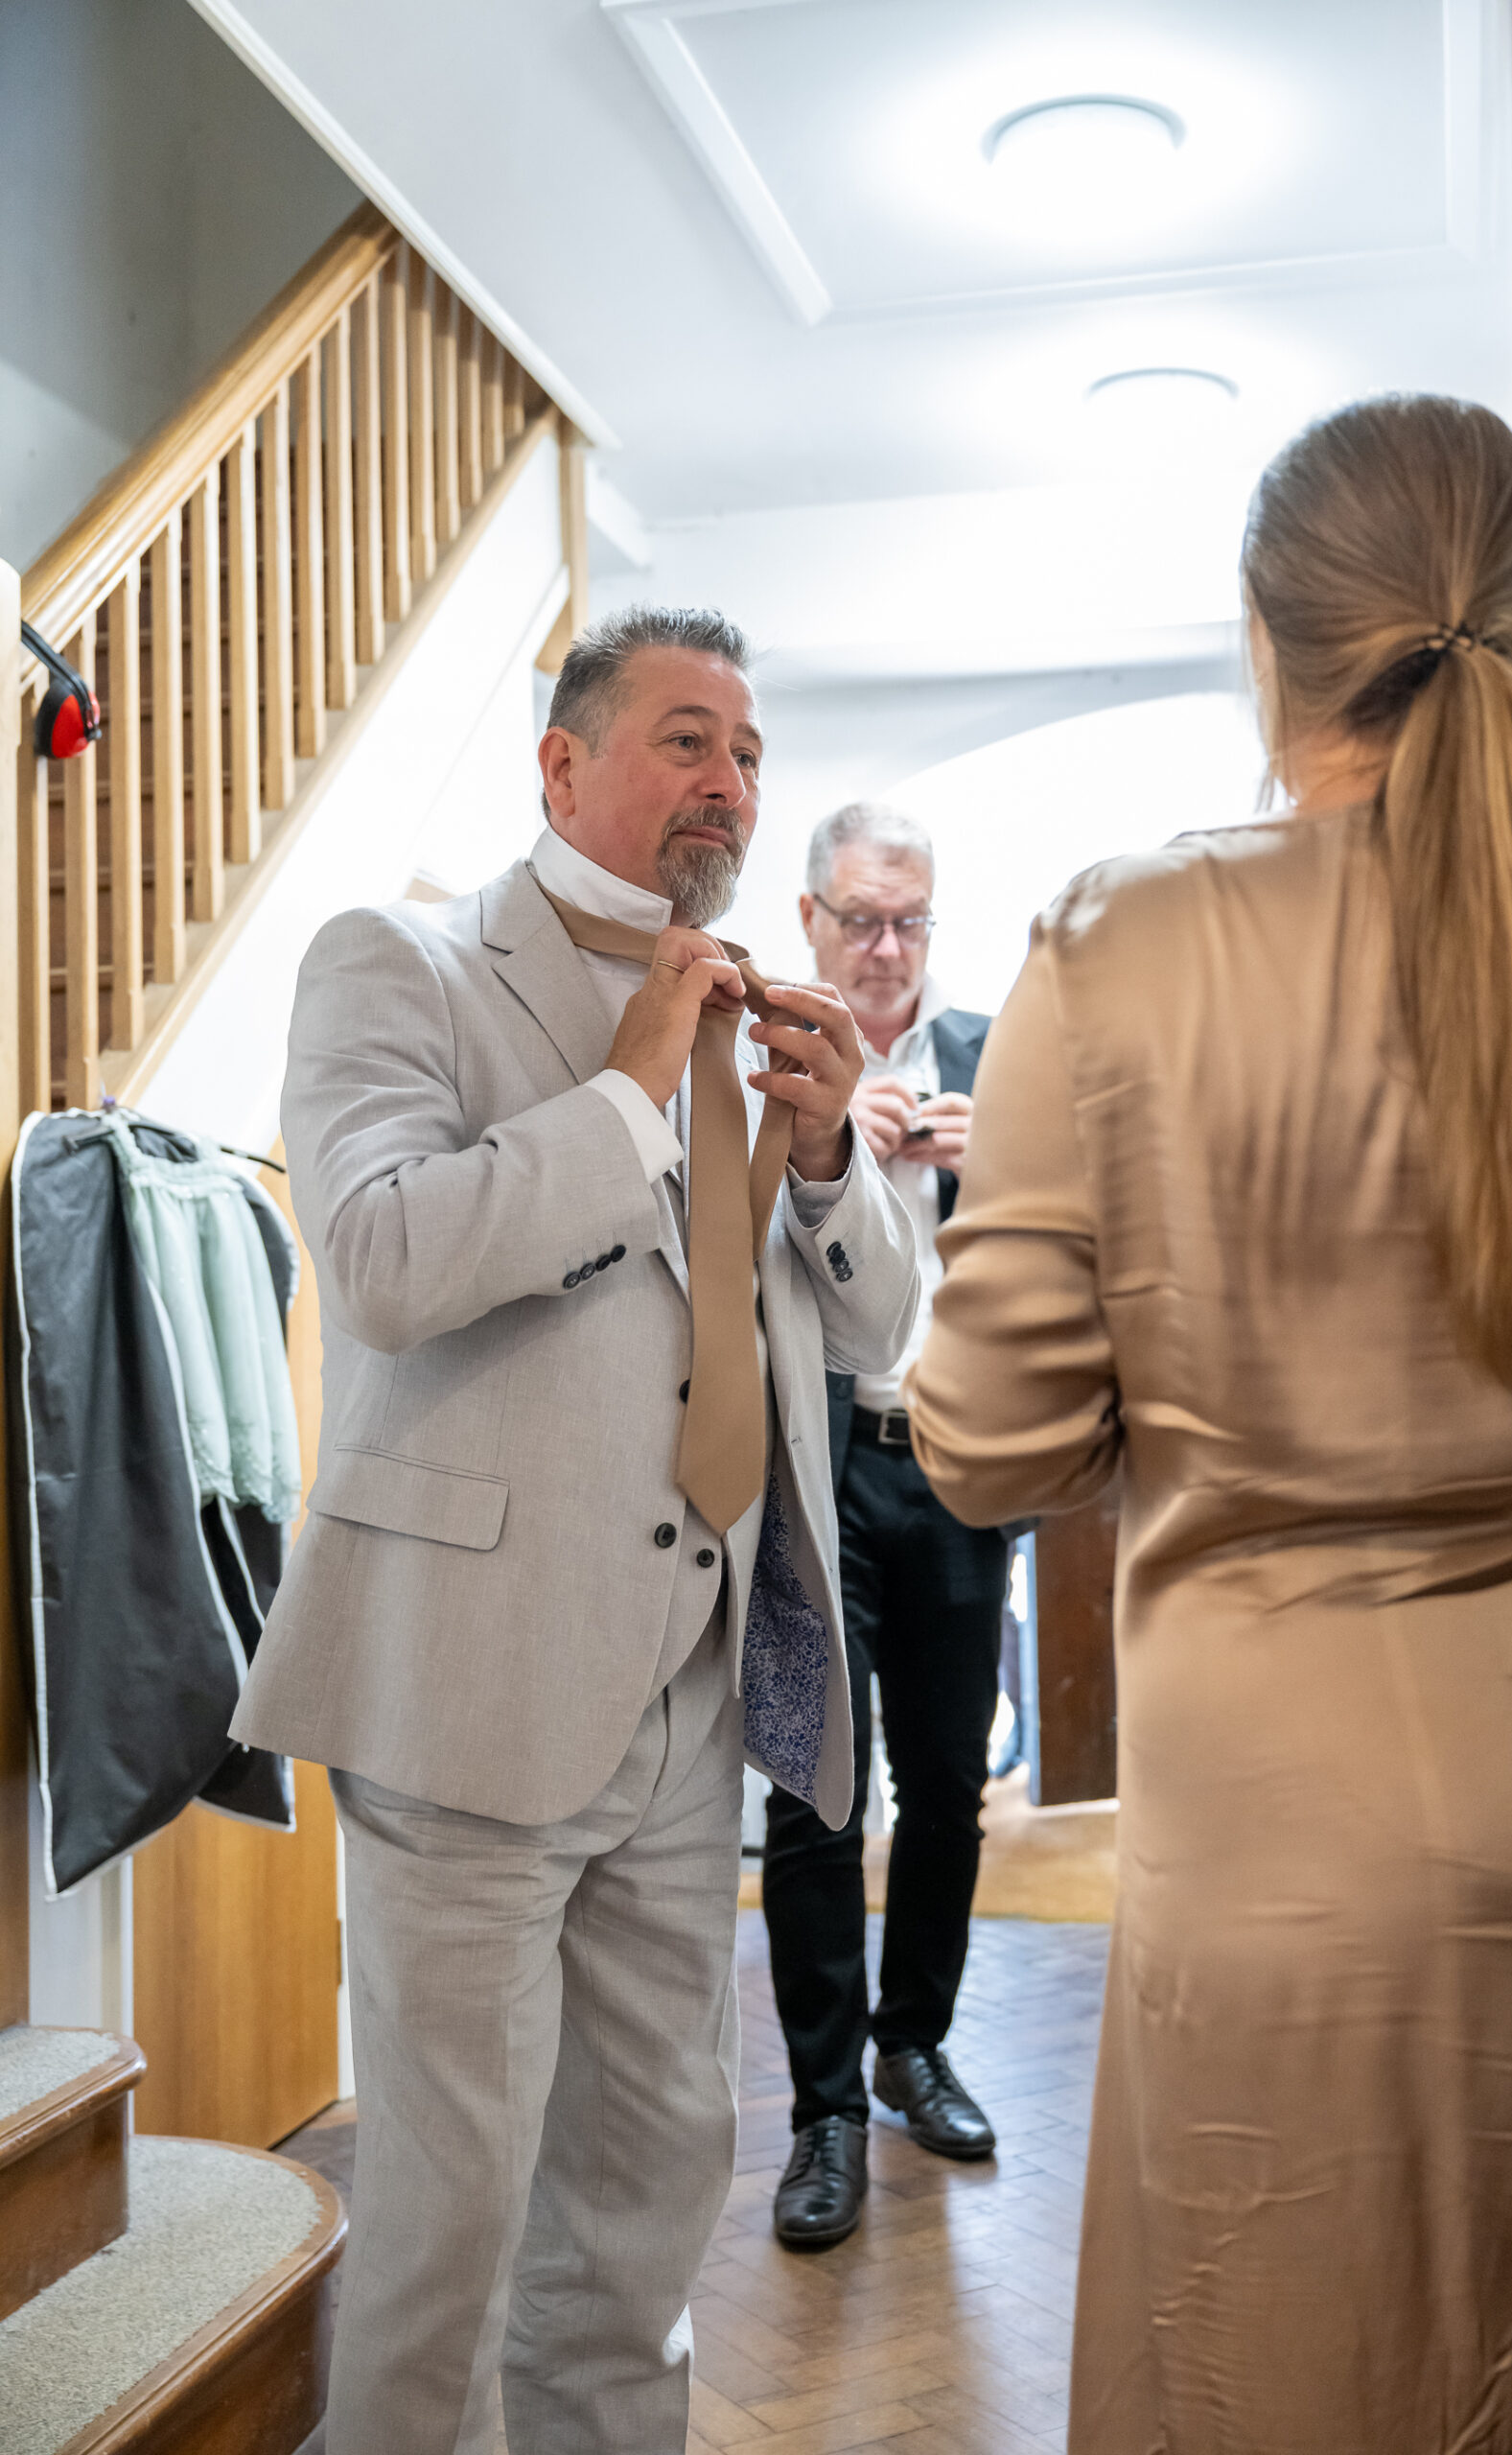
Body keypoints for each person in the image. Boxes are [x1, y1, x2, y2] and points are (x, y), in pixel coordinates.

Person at [907, 398, 1512, 2450]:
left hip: (1271, 1862)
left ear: (1264, 645)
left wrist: (1179, 1396)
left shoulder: (1122, 942)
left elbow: (987, 1445)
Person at [232, 607, 919, 2455]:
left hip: (694, 1698)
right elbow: (377, 1262)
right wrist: (625, 1093)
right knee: (448, 2234)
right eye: (689, 739)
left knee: (640, 2216)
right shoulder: (403, 962)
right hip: (472, 1689)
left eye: (752, 752)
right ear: (563, 763)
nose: (731, 780)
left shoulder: (759, 1016)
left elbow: (872, 1335)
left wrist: (839, 1155)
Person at [762, 802, 1009, 2252]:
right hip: (817, 1463)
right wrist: (823, 1147)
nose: (886, 948)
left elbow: (1067, 1248)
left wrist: (996, 1170)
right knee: (816, 1788)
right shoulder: (769, 1060)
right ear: (810, 918)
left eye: (910, 920)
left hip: (961, 1459)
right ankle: (824, 2114)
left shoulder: (997, 1061)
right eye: (860, 918)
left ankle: (913, 2047)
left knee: (945, 1784)